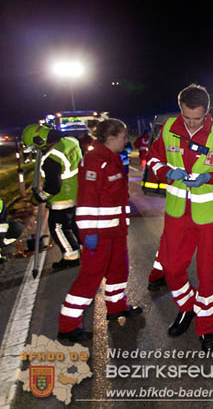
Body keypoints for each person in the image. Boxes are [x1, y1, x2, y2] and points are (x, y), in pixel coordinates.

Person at [145, 84, 213, 352]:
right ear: (181, 109)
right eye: (186, 117)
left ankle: (206, 328)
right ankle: (188, 308)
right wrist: (165, 172)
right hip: (177, 212)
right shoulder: (168, 128)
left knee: (207, 274)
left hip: (208, 215)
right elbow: (152, 160)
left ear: (207, 111)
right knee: (173, 269)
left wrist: (209, 177)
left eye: (196, 118)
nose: (190, 123)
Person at [57, 119, 142, 344]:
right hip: (99, 234)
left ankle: (116, 307)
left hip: (115, 231)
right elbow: (86, 200)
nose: (127, 140)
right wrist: (88, 234)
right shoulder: (95, 161)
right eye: (124, 136)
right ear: (112, 137)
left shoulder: (111, 157)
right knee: (90, 278)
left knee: (118, 270)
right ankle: (68, 326)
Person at [146, 107, 213, 295]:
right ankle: (208, 281)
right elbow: (159, 158)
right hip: (190, 207)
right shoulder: (183, 134)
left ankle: (158, 276)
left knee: (170, 246)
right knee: (203, 251)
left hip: (185, 205)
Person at [22, 124, 82, 270]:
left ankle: (71, 257)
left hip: (63, 199)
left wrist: (38, 198)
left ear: (40, 140)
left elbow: (53, 187)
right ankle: (85, 248)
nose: (37, 150)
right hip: (79, 192)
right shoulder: (70, 141)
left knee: (58, 227)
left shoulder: (51, 159)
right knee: (74, 224)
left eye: (35, 147)